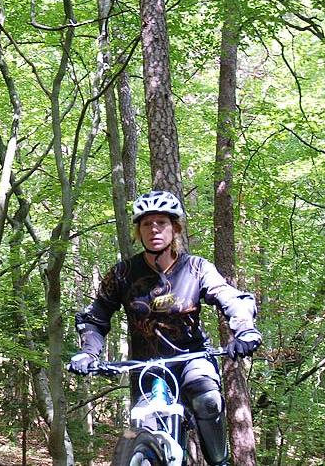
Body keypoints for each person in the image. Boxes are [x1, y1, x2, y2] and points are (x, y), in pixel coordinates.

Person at [67, 190, 262, 466]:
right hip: (146, 365)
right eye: (147, 223)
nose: (154, 229)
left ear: (175, 228)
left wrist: (245, 330)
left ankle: (220, 461)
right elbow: (96, 316)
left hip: (192, 357)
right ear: (138, 231)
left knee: (207, 399)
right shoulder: (123, 273)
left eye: (162, 222)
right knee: (143, 425)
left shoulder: (195, 268)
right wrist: (88, 353)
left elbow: (229, 298)